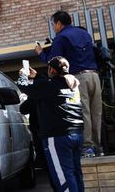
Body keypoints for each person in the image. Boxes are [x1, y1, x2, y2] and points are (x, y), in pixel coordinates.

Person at [18, 56, 89, 192]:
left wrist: (23, 75)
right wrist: (38, 78)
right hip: (76, 134)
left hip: (57, 137)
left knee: (64, 178)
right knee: (75, 176)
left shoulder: (49, 86)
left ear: (51, 70)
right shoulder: (73, 84)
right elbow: (49, 88)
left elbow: (24, 87)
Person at [35, 11, 103, 158]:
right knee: (96, 112)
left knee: (83, 112)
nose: (54, 27)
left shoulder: (61, 37)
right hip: (94, 76)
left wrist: (41, 52)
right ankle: (98, 147)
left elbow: (53, 61)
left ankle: (87, 147)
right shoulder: (84, 33)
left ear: (59, 23)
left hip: (79, 78)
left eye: (54, 24)